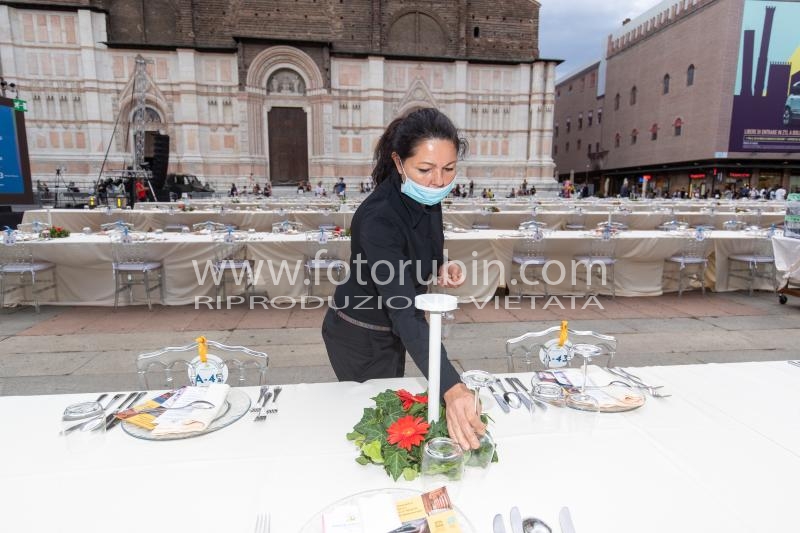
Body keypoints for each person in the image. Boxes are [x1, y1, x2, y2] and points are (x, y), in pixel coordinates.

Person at [321, 108, 483, 451]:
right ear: (398, 163)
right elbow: (405, 312)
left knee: (394, 407)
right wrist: (452, 388)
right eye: (425, 169)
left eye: (449, 169)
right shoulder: (379, 218)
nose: (439, 181)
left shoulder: (427, 194)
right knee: (379, 429)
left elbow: (426, 240)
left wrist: (439, 265)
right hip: (360, 334)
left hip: (395, 328)